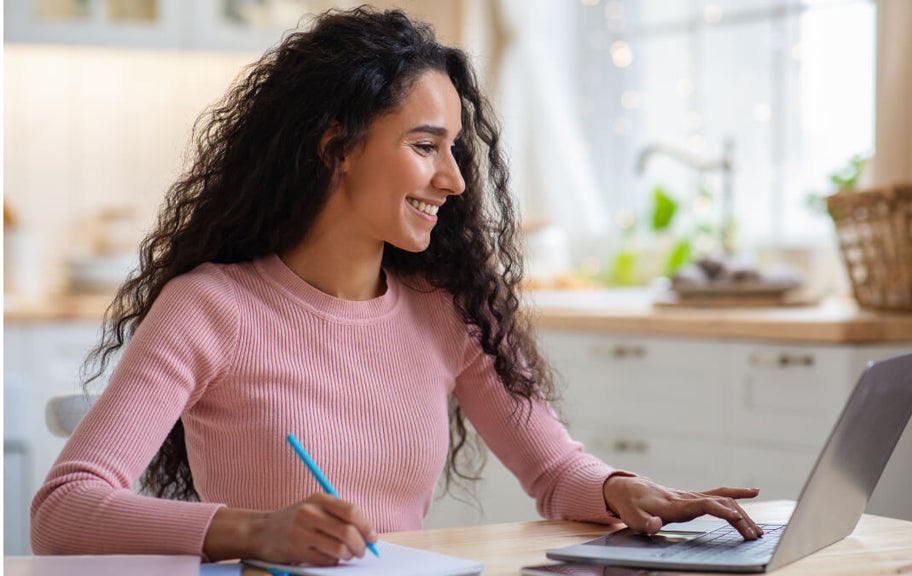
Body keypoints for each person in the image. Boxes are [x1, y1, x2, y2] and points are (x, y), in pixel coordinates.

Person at [30, 6, 762, 566]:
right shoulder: (211, 308)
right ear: (336, 150)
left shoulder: (449, 306)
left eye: (454, 149)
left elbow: (554, 467)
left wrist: (623, 492)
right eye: (424, 147)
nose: (454, 179)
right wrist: (258, 531)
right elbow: (63, 511)